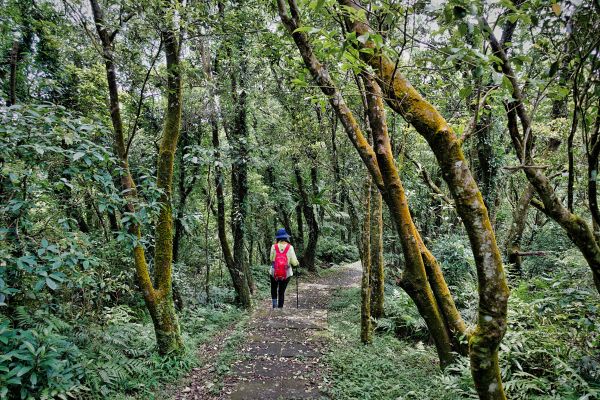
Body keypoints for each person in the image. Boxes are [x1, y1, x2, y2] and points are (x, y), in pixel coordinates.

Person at [270, 228, 299, 308]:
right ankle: (280, 308)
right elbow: (294, 262)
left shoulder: (274, 246)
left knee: (273, 288)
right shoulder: (290, 247)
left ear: (278, 238)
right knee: (281, 291)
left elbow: (271, 259)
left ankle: (274, 305)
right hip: (286, 273)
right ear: (286, 237)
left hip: (274, 272)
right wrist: (297, 263)